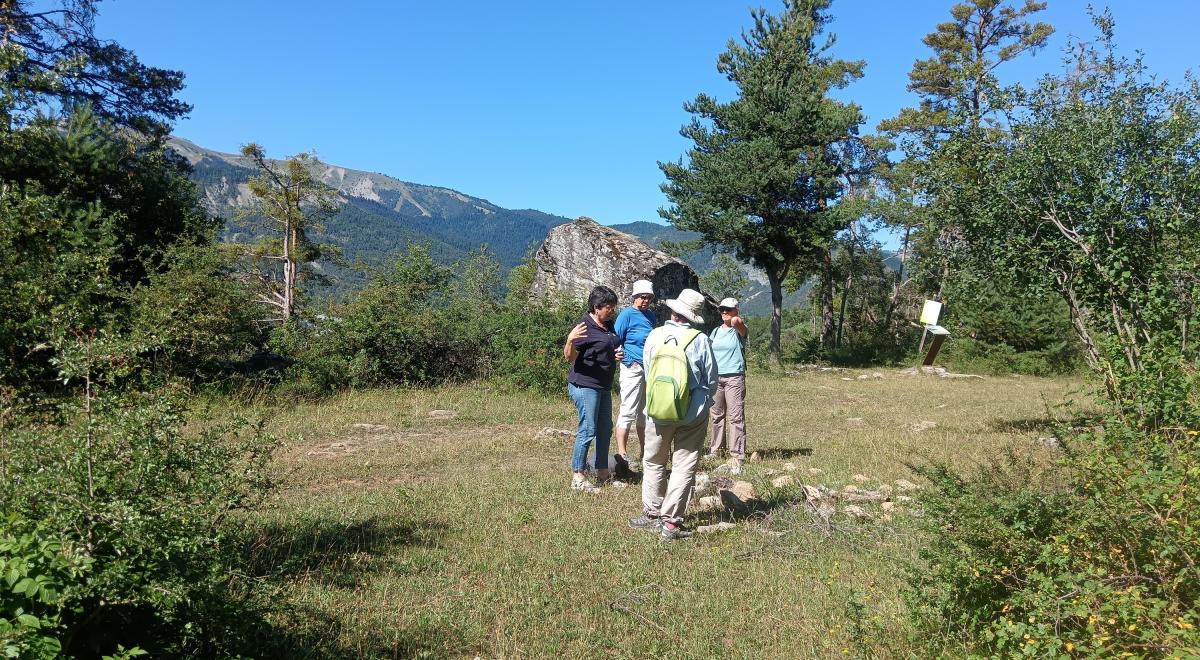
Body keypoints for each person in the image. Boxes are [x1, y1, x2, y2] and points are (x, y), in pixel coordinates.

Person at [627, 288, 718, 539]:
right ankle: (670, 524)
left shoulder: (655, 335)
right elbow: (711, 379)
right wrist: (703, 401)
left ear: (673, 311)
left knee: (654, 461)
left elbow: (647, 369)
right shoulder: (700, 340)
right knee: (683, 466)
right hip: (693, 413)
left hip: (658, 410)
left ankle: (652, 513)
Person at [563, 285, 623, 493]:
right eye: (608, 307)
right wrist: (570, 340)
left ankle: (603, 472)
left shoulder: (608, 325)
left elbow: (610, 344)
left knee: (605, 429)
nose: (612, 310)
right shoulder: (584, 326)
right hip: (585, 384)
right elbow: (569, 357)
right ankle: (578, 476)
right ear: (596, 307)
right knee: (588, 429)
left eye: (613, 307)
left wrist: (616, 354)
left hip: (603, 385)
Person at [612, 279, 657, 474]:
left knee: (645, 411)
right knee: (628, 408)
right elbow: (615, 339)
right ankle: (622, 453)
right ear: (634, 297)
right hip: (632, 368)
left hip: (649, 368)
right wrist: (629, 360)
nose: (645, 301)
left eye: (648, 297)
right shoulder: (626, 315)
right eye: (642, 297)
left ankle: (644, 451)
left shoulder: (651, 316)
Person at [706, 297, 749, 469]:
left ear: (736, 310)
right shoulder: (715, 332)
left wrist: (735, 317)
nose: (724, 312)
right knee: (716, 416)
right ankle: (716, 449)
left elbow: (738, 323)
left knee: (735, 416)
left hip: (734, 377)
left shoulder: (739, 330)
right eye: (722, 309)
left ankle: (737, 453)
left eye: (728, 309)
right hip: (716, 377)